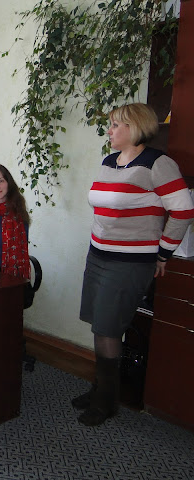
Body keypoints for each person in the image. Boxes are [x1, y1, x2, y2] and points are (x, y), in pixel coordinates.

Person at [74, 103, 194, 426]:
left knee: (108, 328)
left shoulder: (157, 163)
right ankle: (100, 388)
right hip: (98, 255)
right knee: (100, 324)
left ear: (135, 127)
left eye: (116, 125)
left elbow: (183, 210)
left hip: (129, 262)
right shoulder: (109, 162)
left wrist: (163, 253)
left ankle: (106, 401)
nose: (110, 130)